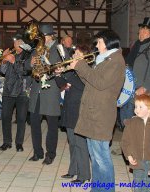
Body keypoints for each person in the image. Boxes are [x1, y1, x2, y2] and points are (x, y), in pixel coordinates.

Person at [70, 29, 125, 191]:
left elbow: (100, 82)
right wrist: (78, 68)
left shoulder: (116, 61)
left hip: (101, 115)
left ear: (108, 42)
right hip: (93, 113)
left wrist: (81, 64)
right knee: (95, 157)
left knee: (102, 157)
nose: (97, 45)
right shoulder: (104, 60)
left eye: (99, 42)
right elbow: (90, 82)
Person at [28, 23, 69, 165]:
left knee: (52, 125)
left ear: (51, 36)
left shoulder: (59, 49)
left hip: (51, 91)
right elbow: (27, 67)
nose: (41, 39)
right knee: (34, 123)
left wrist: (56, 70)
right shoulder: (37, 49)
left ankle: (50, 154)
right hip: (36, 92)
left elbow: (66, 69)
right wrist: (31, 62)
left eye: (43, 36)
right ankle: (37, 152)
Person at [58, 45, 91, 183]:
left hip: (79, 111)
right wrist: (58, 74)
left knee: (80, 144)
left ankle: (84, 175)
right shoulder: (73, 71)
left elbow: (82, 85)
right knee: (72, 143)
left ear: (84, 57)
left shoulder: (86, 70)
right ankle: (73, 170)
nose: (73, 56)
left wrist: (69, 72)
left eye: (76, 54)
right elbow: (62, 84)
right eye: (73, 54)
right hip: (69, 109)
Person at [120, 17, 150, 128]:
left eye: (145, 30)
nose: (141, 32)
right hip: (129, 91)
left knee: (137, 126)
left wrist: (145, 87)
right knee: (125, 122)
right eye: (141, 30)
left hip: (143, 94)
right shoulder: (136, 46)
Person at [0, 33, 31, 152]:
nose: (14, 46)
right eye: (15, 44)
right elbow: (2, 71)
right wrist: (4, 60)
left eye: (17, 44)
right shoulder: (11, 55)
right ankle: (7, 142)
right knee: (5, 117)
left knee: (21, 118)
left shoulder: (27, 56)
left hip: (22, 90)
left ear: (22, 46)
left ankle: (19, 143)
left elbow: (24, 72)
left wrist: (13, 62)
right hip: (8, 90)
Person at [121, 93, 150, 192]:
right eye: (135, 106)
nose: (136, 109)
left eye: (140, 107)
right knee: (138, 186)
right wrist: (129, 155)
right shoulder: (131, 123)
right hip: (137, 161)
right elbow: (125, 142)